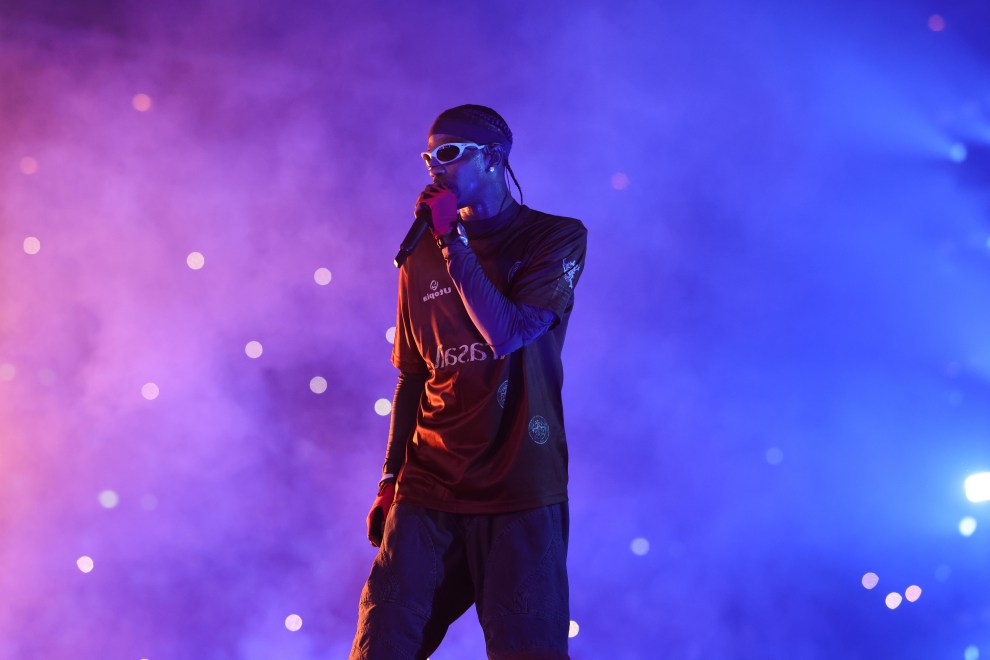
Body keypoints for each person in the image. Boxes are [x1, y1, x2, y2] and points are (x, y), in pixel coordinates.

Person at [350, 104, 587, 660]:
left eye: (451, 153)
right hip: (429, 486)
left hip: (519, 487)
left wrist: (451, 240)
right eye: (428, 156)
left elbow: (508, 333)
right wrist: (389, 476)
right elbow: (413, 374)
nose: (436, 166)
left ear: (495, 157)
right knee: (380, 646)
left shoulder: (553, 237)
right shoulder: (420, 253)